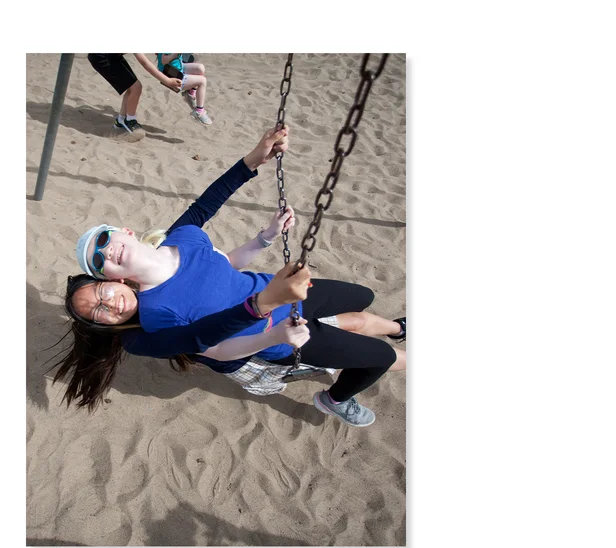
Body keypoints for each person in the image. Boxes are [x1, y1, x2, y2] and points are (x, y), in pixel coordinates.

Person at [53, 126, 406, 427]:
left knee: (361, 300)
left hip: (273, 287)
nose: (105, 253)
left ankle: (399, 329)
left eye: (102, 241)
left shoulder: (180, 237)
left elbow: (206, 206)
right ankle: (337, 399)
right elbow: (209, 343)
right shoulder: (155, 312)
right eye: (98, 261)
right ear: (111, 274)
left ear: (123, 231)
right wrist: (270, 317)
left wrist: (254, 159)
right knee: (383, 358)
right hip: (274, 333)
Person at [87, 53, 182, 137]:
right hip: (101, 58)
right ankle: (130, 120)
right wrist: (167, 81)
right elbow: (145, 63)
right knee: (136, 87)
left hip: (112, 56)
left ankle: (121, 121)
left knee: (132, 87)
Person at [156, 54, 212, 125]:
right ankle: (199, 111)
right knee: (202, 81)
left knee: (200, 68)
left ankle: (190, 93)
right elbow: (164, 61)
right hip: (170, 73)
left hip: (178, 67)